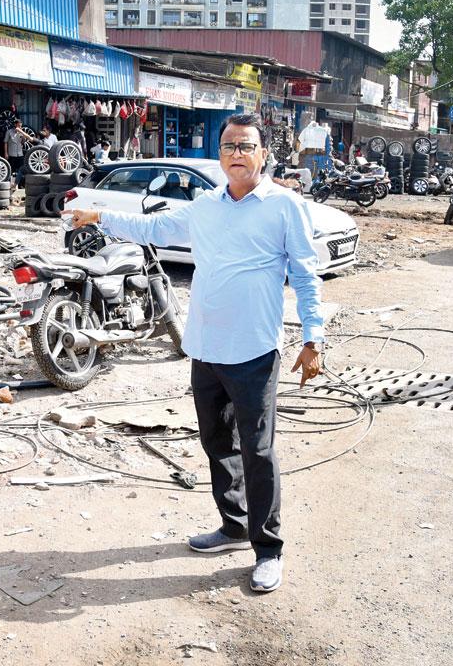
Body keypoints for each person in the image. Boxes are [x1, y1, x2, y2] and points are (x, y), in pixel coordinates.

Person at [64, 113, 325, 593]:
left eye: (246, 146)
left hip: (254, 350)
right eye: (228, 146)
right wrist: (98, 215)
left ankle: (268, 549)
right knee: (217, 443)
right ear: (220, 154)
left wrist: (313, 340)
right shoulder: (206, 205)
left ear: (263, 154)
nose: (236, 154)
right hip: (205, 346)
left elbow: (306, 276)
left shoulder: (284, 207)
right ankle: (233, 526)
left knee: (258, 451)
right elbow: (156, 227)